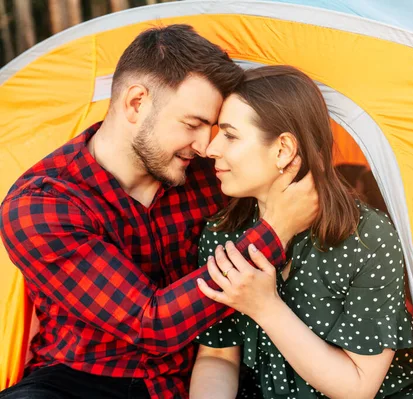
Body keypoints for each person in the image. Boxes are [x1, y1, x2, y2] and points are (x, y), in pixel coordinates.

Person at [0, 26, 317, 399]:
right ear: (136, 103)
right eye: (193, 124)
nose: (205, 146)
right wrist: (275, 231)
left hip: (198, 374)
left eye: (214, 128)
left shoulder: (212, 176)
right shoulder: (41, 204)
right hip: (80, 378)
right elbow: (151, 322)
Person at [190, 66, 413, 399]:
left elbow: (358, 387)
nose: (210, 148)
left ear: (283, 149)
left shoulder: (369, 238)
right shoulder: (223, 234)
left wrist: (264, 307)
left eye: (230, 135)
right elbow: (218, 355)